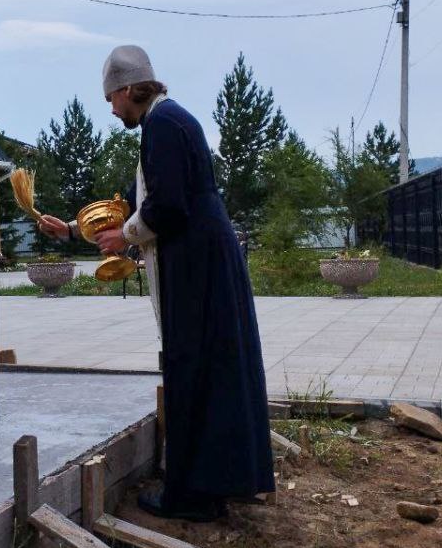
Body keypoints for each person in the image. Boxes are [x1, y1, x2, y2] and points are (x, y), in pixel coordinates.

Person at [39, 45, 274, 522]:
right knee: (210, 368)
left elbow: (166, 207)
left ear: (127, 89)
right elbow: (132, 203)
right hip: (202, 258)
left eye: (110, 99)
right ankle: (215, 483)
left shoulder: (162, 125)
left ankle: (189, 496)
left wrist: (124, 236)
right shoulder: (167, 121)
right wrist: (71, 228)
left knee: (191, 368)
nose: (110, 109)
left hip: (196, 264)